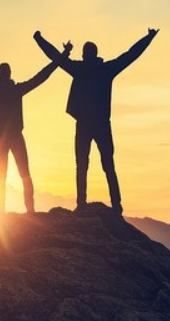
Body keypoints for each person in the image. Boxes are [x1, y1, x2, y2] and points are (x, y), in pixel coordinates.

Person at [33, 28, 159, 215]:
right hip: (101, 125)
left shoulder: (80, 69)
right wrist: (148, 38)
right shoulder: (106, 69)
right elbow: (131, 55)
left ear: (84, 55)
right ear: (96, 54)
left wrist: (39, 38)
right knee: (108, 165)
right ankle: (116, 205)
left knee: (82, 165)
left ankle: (82, 204)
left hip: (84, 124)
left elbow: (55, 57)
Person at [0, 43, 71, 213]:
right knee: (24, 173)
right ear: (9, 75)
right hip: (15, 136)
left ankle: (1, 210)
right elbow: (42, 76)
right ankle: (30, 209)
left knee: (1, 174)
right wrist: (62, 56)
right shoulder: (16, 90)